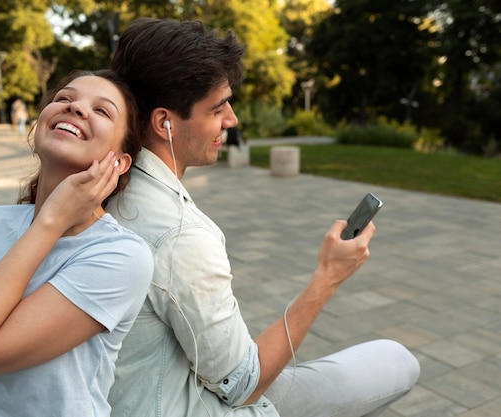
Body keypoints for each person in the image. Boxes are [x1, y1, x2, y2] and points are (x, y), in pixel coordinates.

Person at [105, 18, 420, 417]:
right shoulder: (180, 234)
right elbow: (242, 384)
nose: (232, 119)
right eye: (218, 108)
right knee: (398, 360)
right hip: (195, 404)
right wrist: (328, 277)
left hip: (158, 385)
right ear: (164, 121)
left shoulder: (102, 186)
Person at [0, 69, 153, 417]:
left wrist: (50, 222)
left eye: (102, 111)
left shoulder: (121, 257)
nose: (76, 108)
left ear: (120, 162)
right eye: (64, 99)